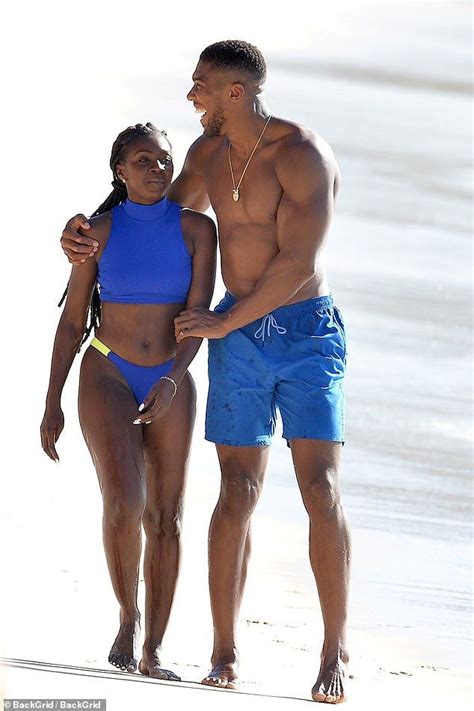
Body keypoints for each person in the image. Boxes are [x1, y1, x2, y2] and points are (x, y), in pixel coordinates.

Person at [60, 40, 351, 705]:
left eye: (200, 86)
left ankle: (334, 648)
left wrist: (224, 318)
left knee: (319, 485)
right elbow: (151, 214)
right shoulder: (204, 157)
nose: (191, 97)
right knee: (237, 488)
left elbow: (301, 262)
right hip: (238, 338)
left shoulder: (304, 155)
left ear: (235, 93)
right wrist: (82, 233)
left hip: (305, 331)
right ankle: (225, 651)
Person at [42, 122, 216, 680]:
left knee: (167, 517)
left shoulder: (197, 230)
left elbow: (196, 320)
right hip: (107, 371)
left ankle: (154, 650)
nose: (157, 169)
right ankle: (127, 618)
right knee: (125, 502)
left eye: (164, 160)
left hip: (172, 374)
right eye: (143, 161)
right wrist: (51, 403)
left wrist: (174, 377)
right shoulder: (97, 232)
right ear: (119, 170)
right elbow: (72, 323)